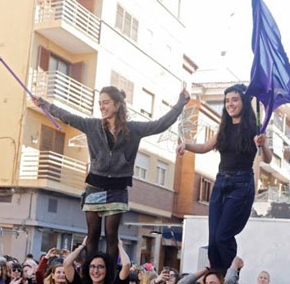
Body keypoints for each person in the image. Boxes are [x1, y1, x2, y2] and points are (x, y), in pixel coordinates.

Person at [33, 88, 190, 260]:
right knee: (92, 234)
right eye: (100, 103)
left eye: (106, 102)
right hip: (94, 186)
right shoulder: (92, 125)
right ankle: (89, 276)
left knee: (111, 236)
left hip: (117, 188)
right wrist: (44, 104)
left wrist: (180, 103)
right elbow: (67, 116)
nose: (102, 106)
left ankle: (109, 279)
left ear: (117, 105)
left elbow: (160, 124)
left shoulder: (134, 129)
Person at [177, 84, 272, 271]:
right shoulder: (223, 128)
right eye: (227, 101)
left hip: (241, 184)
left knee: (222, 236)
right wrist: (185, 145)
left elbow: (266, 158)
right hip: (220, 183)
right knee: (213, 241)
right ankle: (217, 281)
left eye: (235, 100)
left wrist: (262, 144)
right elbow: (204, 147)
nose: (230, 104)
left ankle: (232, 278)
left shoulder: (255, 129)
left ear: (244, 102)